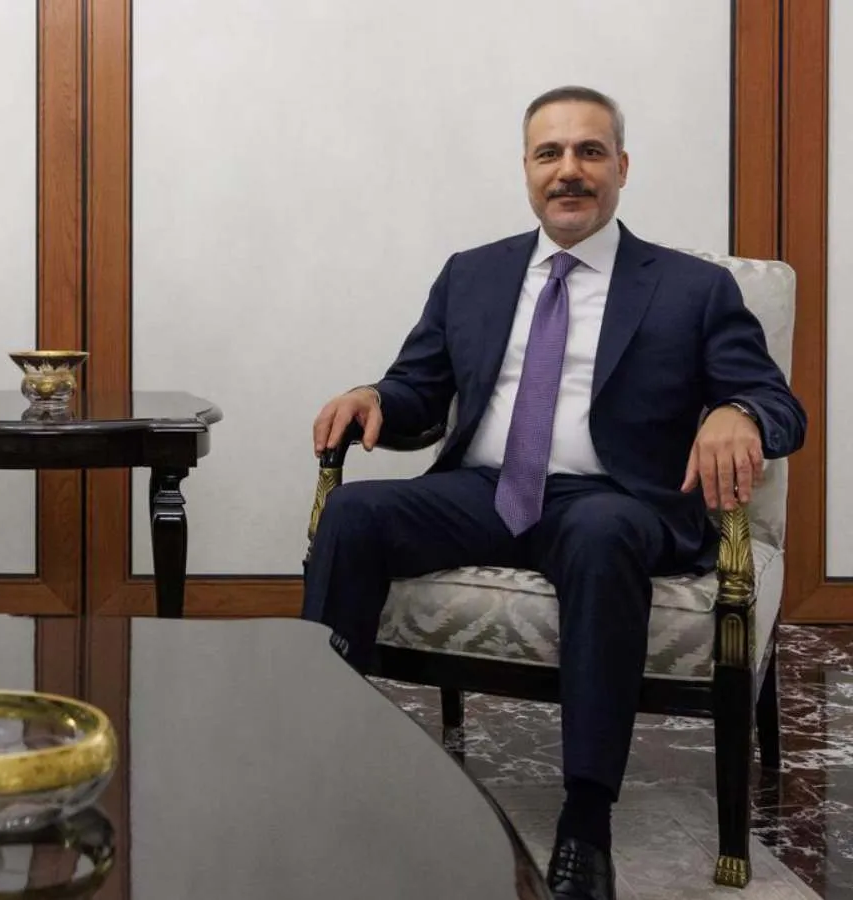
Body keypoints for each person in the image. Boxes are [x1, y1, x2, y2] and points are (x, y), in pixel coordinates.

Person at [304, 86, 805, 900]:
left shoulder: (692, 288)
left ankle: (586, 823)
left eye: (589, 152)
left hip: (615, 500)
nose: (568, 170)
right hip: (485, 490)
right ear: (527, 169)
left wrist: (737, 411)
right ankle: (324, 767)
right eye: (550, 153)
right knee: (355, 513)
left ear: (621, 167)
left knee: (603, 534)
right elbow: (418, 392)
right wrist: (374, 397)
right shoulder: (472, 274)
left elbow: (779, 404)